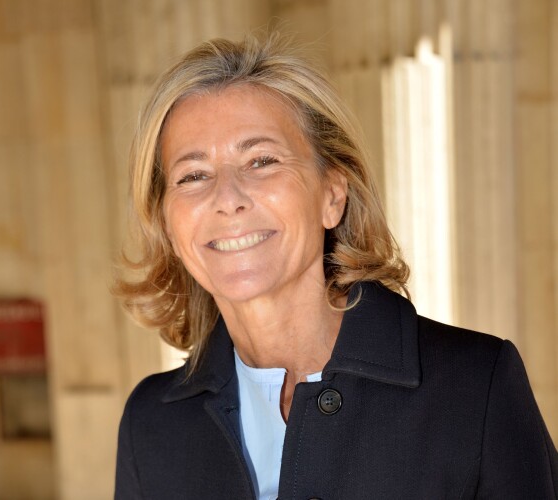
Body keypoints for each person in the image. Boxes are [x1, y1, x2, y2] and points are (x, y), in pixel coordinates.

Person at [114, 34, 558, 499]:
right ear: (167, 222)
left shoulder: (474, 388)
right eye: (194, 175)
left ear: (332, 195)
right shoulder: (151, 424)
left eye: (261, 160)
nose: (227, 199)